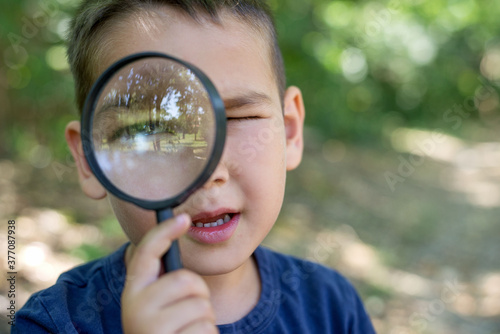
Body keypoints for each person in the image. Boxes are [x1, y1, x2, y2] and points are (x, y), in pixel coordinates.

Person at [14, 0, 376, 333]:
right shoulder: (53, 324)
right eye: (149, 130)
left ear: (291, 131)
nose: (207, 173)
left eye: (238, 117)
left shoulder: (332, 309)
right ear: (90, 159)